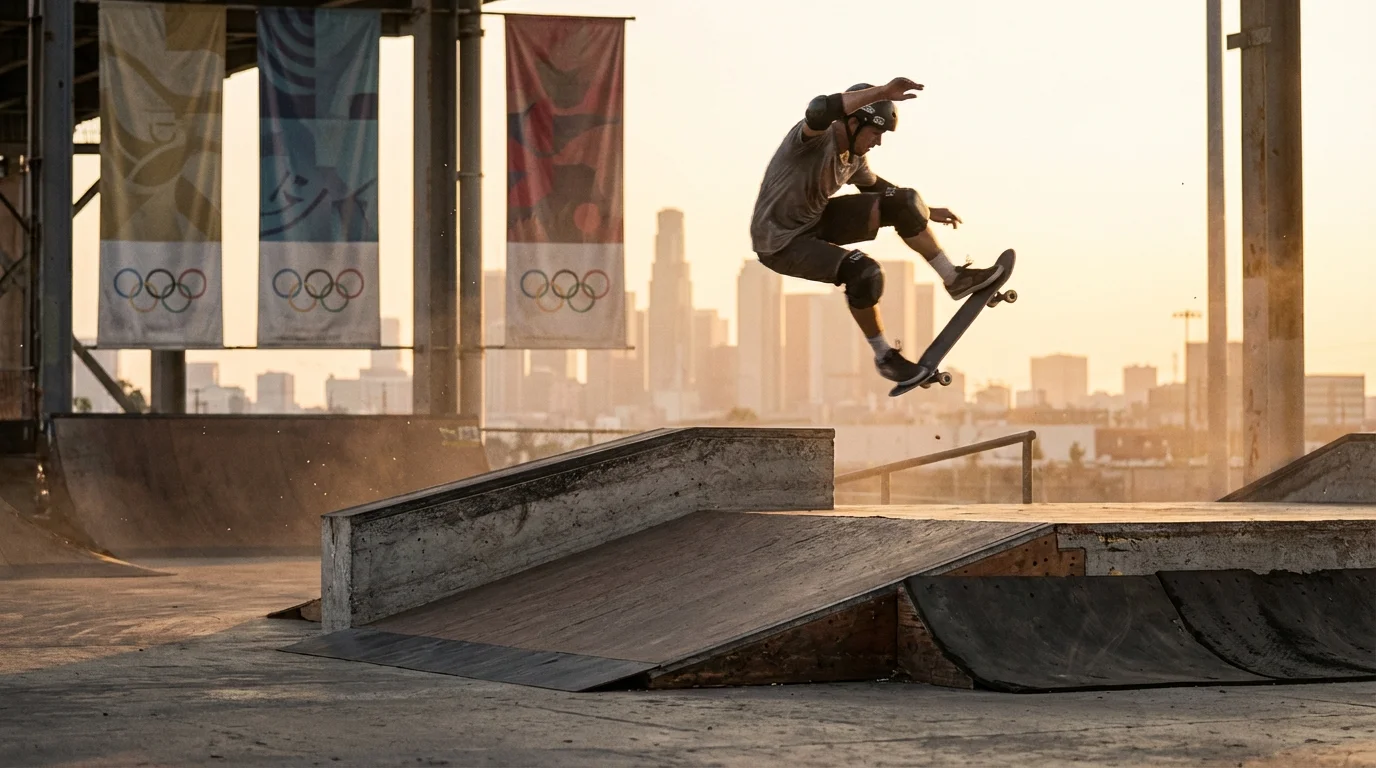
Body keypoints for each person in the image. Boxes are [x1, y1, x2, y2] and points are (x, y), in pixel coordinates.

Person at [749, 78, 1006, 388]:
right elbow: (819, 108)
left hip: (814, 221)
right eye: (875, 133)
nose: (878, 142)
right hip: (780, 243)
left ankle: (954, 278)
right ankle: (885, 357)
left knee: (906, 202)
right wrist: (883, 92)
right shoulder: (813, 139)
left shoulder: (854, 160)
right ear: (852, 123)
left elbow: (878, 188)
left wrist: (926, 209)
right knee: (865, 273)